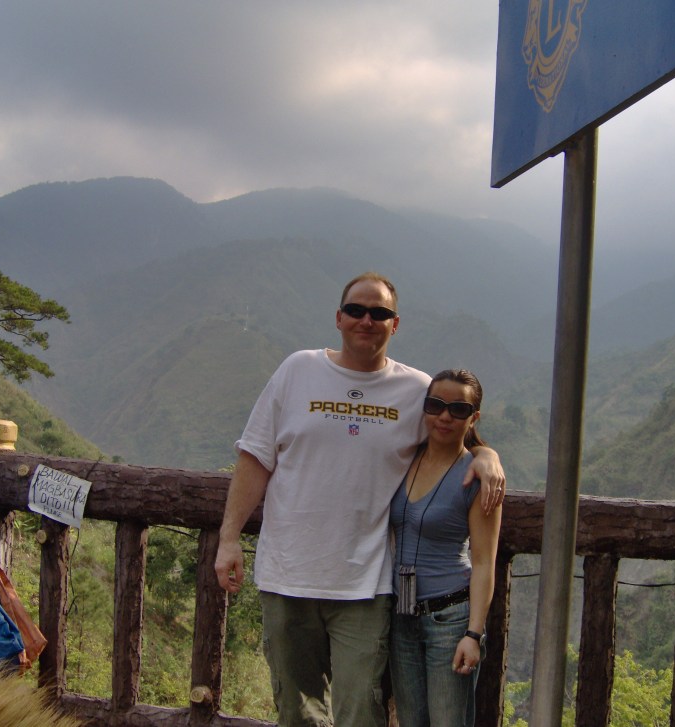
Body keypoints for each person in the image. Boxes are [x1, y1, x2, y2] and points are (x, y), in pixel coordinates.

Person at [214, 272, 506, 727]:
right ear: (338, 317)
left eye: (379, 313)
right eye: (356, 310)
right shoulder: (297, 370)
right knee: (296, 712)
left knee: (361, 712)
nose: (366, 320)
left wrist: (487, 456)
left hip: (366, 585)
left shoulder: (416, 390)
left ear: (395, 324)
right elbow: (255, 457)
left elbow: (452, 433)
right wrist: (229, 537)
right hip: (287, 575)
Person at [388, 368, 502, 727]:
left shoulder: (477, 478)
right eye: (435, 405)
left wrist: (473, 633)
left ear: (473, 418)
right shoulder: (403, 459)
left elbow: (483, 562)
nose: (445, 416)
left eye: (458, 409)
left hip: (450, 619)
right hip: (401, 616)